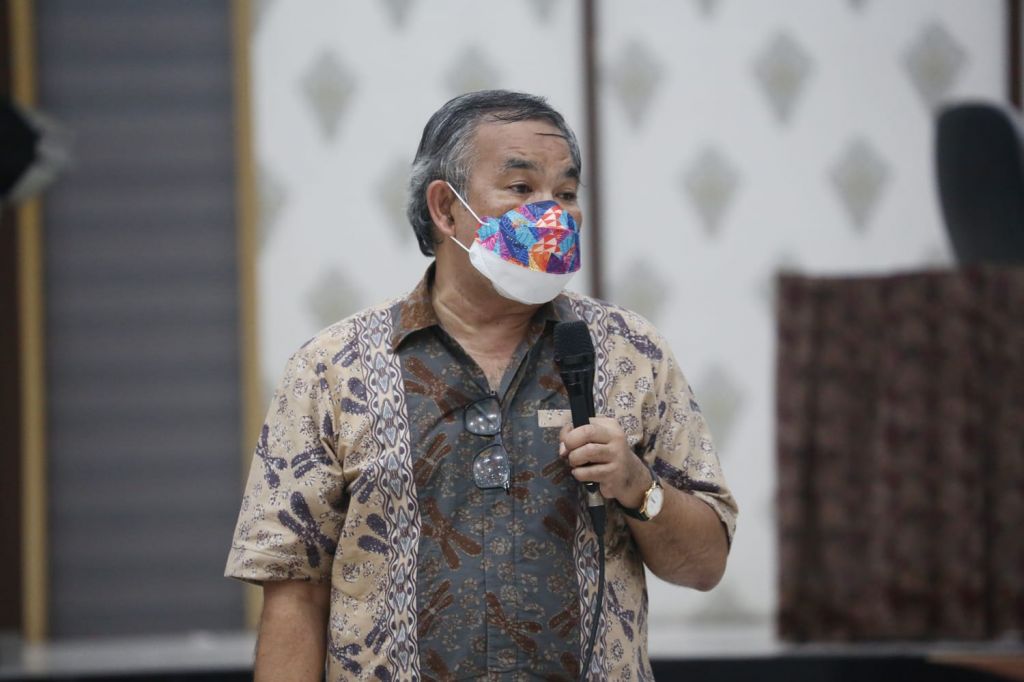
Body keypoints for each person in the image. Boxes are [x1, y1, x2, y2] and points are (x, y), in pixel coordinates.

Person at [226, 90, 737, 681]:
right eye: (521, 187)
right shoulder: (332, 368)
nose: (552, 213)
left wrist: (637, 486)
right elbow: (295, 593)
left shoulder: (631, 352)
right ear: (445, 209)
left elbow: (704, 566)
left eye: (566, 193)